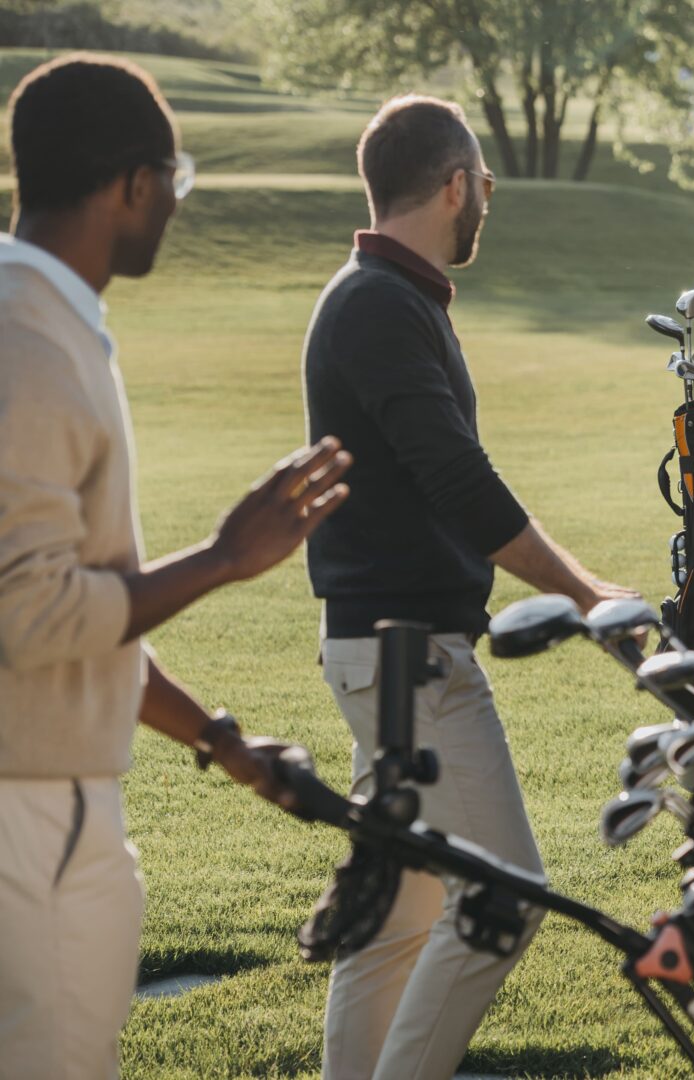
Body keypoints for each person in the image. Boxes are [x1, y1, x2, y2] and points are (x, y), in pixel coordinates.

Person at [0, 54, 353, 1078]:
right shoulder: (27, 342)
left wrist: (220, 743)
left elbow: (82, 612)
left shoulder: (50, 324)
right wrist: (224, 559)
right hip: (31, 811)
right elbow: (36, 618)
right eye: (176, 185)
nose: (173, 209)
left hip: (58, 799)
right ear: (135, 185)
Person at [301, 94, 642, 1080]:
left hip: (396, 649)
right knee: (503, 897)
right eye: (484, 181)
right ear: (455, 183)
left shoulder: (389, 298)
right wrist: (588, 593)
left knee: (404, 916)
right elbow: (456, 480)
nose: (487, 198)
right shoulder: (376, 304)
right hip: (409, 657)